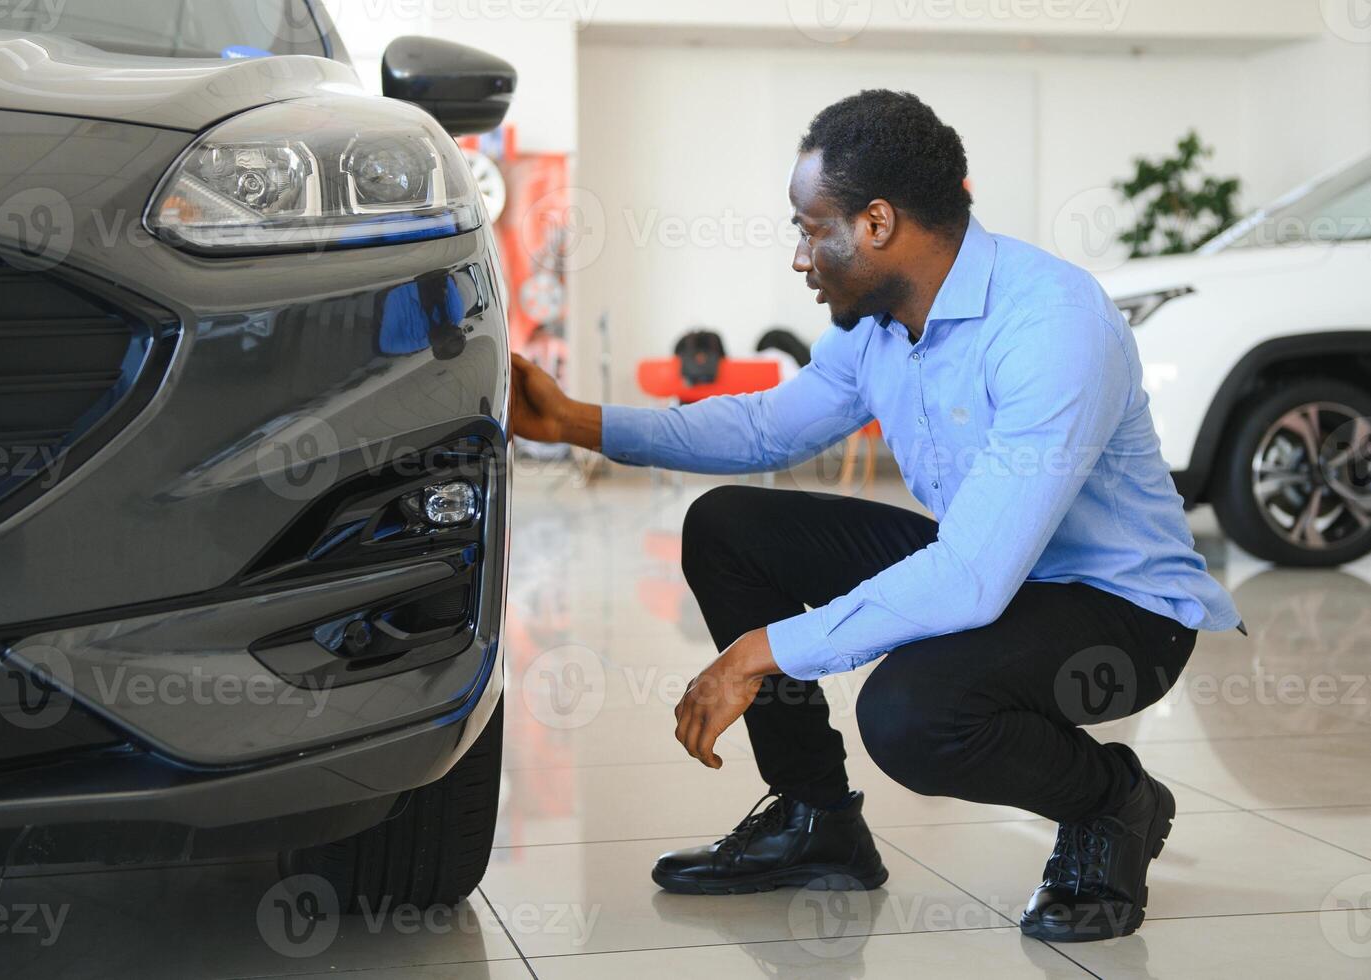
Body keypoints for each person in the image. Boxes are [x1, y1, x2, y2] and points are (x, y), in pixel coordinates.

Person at [508, 89, 1242, 943]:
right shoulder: (879, 325)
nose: (798, 256)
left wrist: (760, 653)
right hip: (989, 564)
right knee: (728, 528)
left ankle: (1114, 802)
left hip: (1119, 612)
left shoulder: (1050, 323)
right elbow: (763, 427)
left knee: (910, 714)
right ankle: (817, 820)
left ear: (877, 224)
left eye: (808, 227)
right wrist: (574, 424)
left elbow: (970, 577)